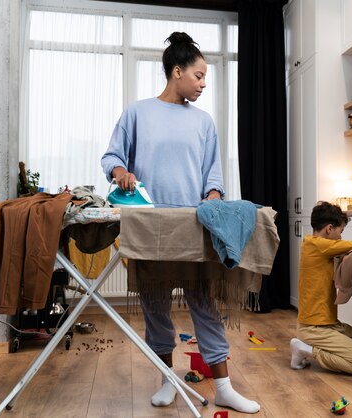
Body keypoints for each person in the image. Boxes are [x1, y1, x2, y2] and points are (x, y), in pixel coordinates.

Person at [101, 32, 259, 414]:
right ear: (177, 72)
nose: (204, 84)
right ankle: (167, 380)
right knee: (155, 304)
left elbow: (213, 176)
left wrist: (215, 197)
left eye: (206, 77)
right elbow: (111, 157)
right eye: (199, 75)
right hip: (150, 224)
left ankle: (223, 386)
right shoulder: (137, 112)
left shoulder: (204, 123)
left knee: (203, 302)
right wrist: (121, 171)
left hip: (191, 225)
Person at [290, 201, 352, 376]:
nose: (341, 237)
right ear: (329, 229)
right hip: (314, 328)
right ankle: (305, 350)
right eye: (340, 232)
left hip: (330, 325)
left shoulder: (313, 243)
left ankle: (314, 348)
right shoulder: (318, 245)